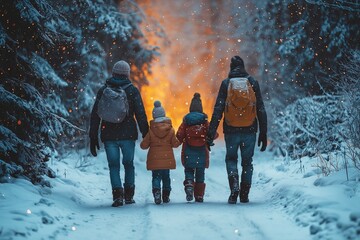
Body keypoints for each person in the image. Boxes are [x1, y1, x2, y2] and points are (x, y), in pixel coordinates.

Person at [206, 56, 267, 204]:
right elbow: (260, 108)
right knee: (247, 162)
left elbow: (218, 109)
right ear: (243, 67)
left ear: (231, 68)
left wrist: (210, 133)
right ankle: (244, 194)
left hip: (231, 129)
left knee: (231, 159)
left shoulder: (226, 84)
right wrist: (263, 133)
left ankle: (234, 187)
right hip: (250, 129)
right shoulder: (252, 82)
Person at [89, 60, 149, 207]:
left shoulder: (104, 90)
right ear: (127, 74)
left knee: (113, 165)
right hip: (128, 134)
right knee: (128, 164)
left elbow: (95, 114)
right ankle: (129, 196)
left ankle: (117, 196)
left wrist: (93, 136)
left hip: (109, 135)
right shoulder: (132, 90)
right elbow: (140, 114)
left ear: (113, 73)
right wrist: (146, 134)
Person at [176, 93, 218, 203]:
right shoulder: (204, 121)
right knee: (200, 173)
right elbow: (214, 134)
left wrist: (175, 143)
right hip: (202, 153)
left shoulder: (186, 120)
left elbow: (179, 136)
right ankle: (199, 196)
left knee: (189, 170)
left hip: (188, 151)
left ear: (190, 108)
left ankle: (189, 183)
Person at [140, 100, 180, 205]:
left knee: (156, 177)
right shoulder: (170, 130)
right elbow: (175, 144)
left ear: (154, 116)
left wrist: (143, 143)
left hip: (155, 160)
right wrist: (179, 141)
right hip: (166, 160)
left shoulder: (151, 130)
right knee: (166, 177)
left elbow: (144, 145)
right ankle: (166, 196)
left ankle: (157, 191)